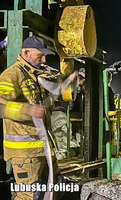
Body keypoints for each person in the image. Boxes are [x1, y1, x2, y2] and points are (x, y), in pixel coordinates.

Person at [0, 35, 77, 199]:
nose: (43, 60)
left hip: (44, 148)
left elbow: (45, 102)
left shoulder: (35, 75)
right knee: (29, 195)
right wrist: (27, 110)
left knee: (53, 190)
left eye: (45, 56)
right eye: (40, 55)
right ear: (26, 53)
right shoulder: (12, 76)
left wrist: (69, 82)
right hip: (26, 153)